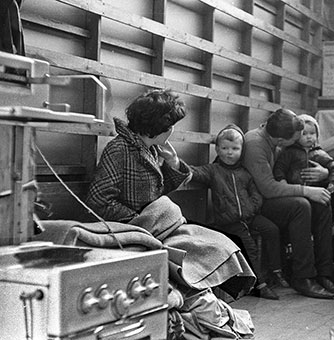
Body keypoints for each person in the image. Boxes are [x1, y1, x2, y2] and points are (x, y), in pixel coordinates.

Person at [85, 89, 255, 300]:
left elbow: (156, 191)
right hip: (136, 229)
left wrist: (174, 163)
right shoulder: (119, 150)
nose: (173, 130)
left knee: (222, 244)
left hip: (160, 223)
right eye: (171, 126)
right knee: (209, 249)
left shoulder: (152, 150)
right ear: (157, 128)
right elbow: (98, 200)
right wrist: (139, 222)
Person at [243, 108, 334, 299]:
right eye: (296, 139)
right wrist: (307, 191)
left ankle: (323, 273)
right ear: (281, 142)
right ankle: (303, 277)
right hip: (255, 204)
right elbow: (269, 189)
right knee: (301, 205)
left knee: (321, 204)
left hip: (272, 198)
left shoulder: (274, 137)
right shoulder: (255, 144)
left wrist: (325, 174)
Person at [189, 124, 290, 300]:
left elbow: (256, 195)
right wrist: (174, 163)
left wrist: (250, 209)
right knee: (249, 245)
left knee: (272, 229)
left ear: (241, 150)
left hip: (249, 216)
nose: (230, 153)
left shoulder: (245, 173)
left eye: (235, 149)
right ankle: (260, 285)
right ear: (217, 150)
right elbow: (194, 173)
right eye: (225, 148)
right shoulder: (213, 171)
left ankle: (276, 270)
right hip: (229, 221)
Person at [273, 114, 334, 194]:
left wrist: (333, 182)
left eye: (312, 133)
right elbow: (279, 168)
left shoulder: (321, 153)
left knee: (324, 202)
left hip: (318, 192)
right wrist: (282, 182)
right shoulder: (290, 152)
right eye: (304, 134)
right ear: (296, 135)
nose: (309, 137)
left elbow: (333, 168)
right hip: (295, 191)